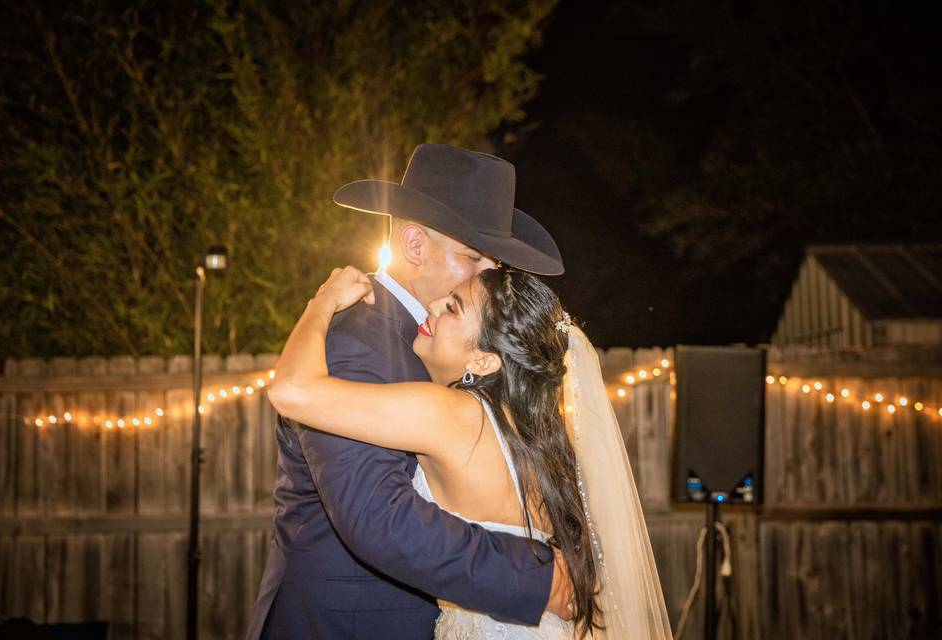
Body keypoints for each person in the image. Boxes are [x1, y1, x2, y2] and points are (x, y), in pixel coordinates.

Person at [245, 144, 574, 640]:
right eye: (472, 257)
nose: (490, 277)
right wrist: (534, 576)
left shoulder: (453, 347)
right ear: (416, 246)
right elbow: (377, 515)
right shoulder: (354, 338)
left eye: (493, 262)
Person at [268, 264, 673, 639]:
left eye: (453, 308)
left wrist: (322, 302)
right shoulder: (532, 435)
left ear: (482, 359)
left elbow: (292, 391)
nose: (433, 304)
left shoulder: (452, 415)